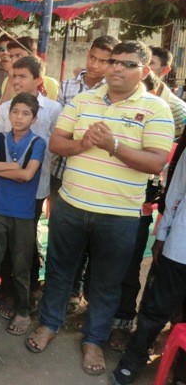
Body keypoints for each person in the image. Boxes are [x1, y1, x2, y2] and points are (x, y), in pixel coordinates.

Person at [26, 41, 174, 377]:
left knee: (107, 282)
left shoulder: (156, 109)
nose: (117, 68)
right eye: (113, 61)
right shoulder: (83, 101)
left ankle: (93, 340)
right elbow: (57, 143)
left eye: (128, 64)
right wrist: (83, 143)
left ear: (144, 71)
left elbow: (156, 162)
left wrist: (114, 145)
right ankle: (49, 323)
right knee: (59, 270)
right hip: (71, 205)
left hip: (119, 216)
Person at [106, 69, 186, 351]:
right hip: (107, 201)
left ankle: (127, 324)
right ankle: (104, 318)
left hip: (140, 207)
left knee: (131, 268)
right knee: (105, 264)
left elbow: (167, 170)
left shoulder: (164, 116)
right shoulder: (114, 114)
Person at [51, 34, 120, 314]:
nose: (95, 65)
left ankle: (75, 290)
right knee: (61, 235)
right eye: (93, 57)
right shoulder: (67, 86)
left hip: (90, 176)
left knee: (87, 239)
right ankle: (58, 290)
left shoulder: (112, 92)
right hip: (60, 170)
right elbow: (58, 129)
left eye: (104, 61)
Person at [0, 56, 62, 314]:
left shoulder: (53, 109)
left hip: (36, 185)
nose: (16, 81)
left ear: (38, 79)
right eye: (13, 75)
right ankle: (7, 291)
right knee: (4, 239)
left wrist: (31, 167)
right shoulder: (5, 109)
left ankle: (31, 287)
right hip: (5, 186)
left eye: (22, 76)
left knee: (27, 238)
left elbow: (56, 147)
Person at [111, 150, 186, 384]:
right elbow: (176, 191)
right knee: (156, 308)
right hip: (181, 246)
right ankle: (134, 358)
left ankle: (181, 370)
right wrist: (162, 234)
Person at [0, 93, 46, 335]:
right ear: (9, 114)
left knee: (21, 264)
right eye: (15, 111)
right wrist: (14, 167)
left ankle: (23, 310)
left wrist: (0, 167)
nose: (19, 117)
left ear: (34, 119)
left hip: (24, 213)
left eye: (26, 113)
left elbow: (27, 175)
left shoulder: (37, 143)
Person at [0, 37, 59, 103]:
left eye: (18, 55)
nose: (13, 61)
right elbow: (2, 109)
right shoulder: (7, 81)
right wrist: (9, 84)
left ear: (33, 56)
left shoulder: (51, 84)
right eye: (11, 56)